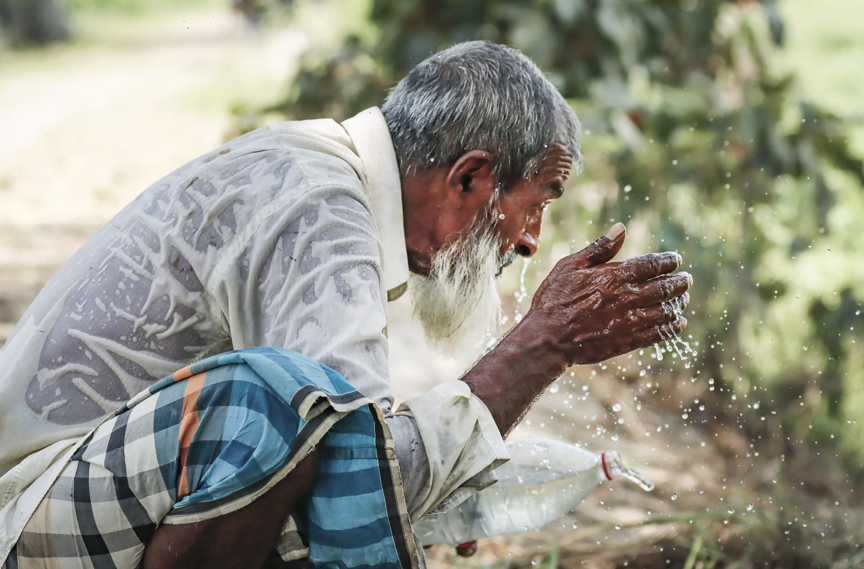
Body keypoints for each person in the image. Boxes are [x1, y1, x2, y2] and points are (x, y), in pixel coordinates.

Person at [0, 41, 691, 569]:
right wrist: (542, 344)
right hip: (29, 515)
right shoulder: (320, 204)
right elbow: (349, 469)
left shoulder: (331, 183)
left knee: (316, 437)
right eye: (536, 203)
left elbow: (360, 446)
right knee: (277, 406)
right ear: (471, 177)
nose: (533, 240)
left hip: (77, 500)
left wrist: (450, 471)